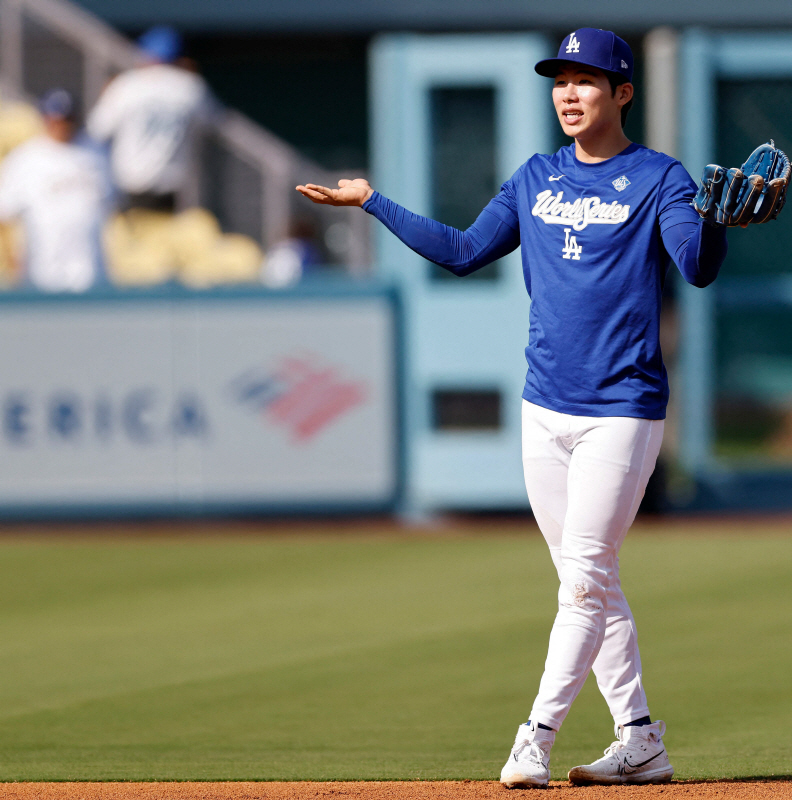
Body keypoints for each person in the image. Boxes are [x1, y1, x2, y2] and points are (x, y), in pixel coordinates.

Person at [297, 28, 729, 788]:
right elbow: (464, 251)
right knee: (588, 582)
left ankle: (535, 738)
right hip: (544, 407)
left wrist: (720, 224)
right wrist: (372, 202)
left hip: (621, 409)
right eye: (560, 79)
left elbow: (694, 268)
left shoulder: (659, 177)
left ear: (623, 92)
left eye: (587, 80)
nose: (569, 92)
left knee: (586, 577)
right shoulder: (536, 177)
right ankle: (640, 740)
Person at [86, 25, 217, 211]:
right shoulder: (190, 85)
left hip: (129, 187)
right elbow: (213, 120)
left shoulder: (126, 84)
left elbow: (96, 130)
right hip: (173, 191)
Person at [0, 89, 110, 292]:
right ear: (44, 120)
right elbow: (4, 214)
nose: (61, 126)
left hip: (91, 270)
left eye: (66, 120)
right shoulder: (25, 159)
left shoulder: (97, 152)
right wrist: (12, 263)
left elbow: (112, 205)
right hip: (43, 272)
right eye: (55, 120)